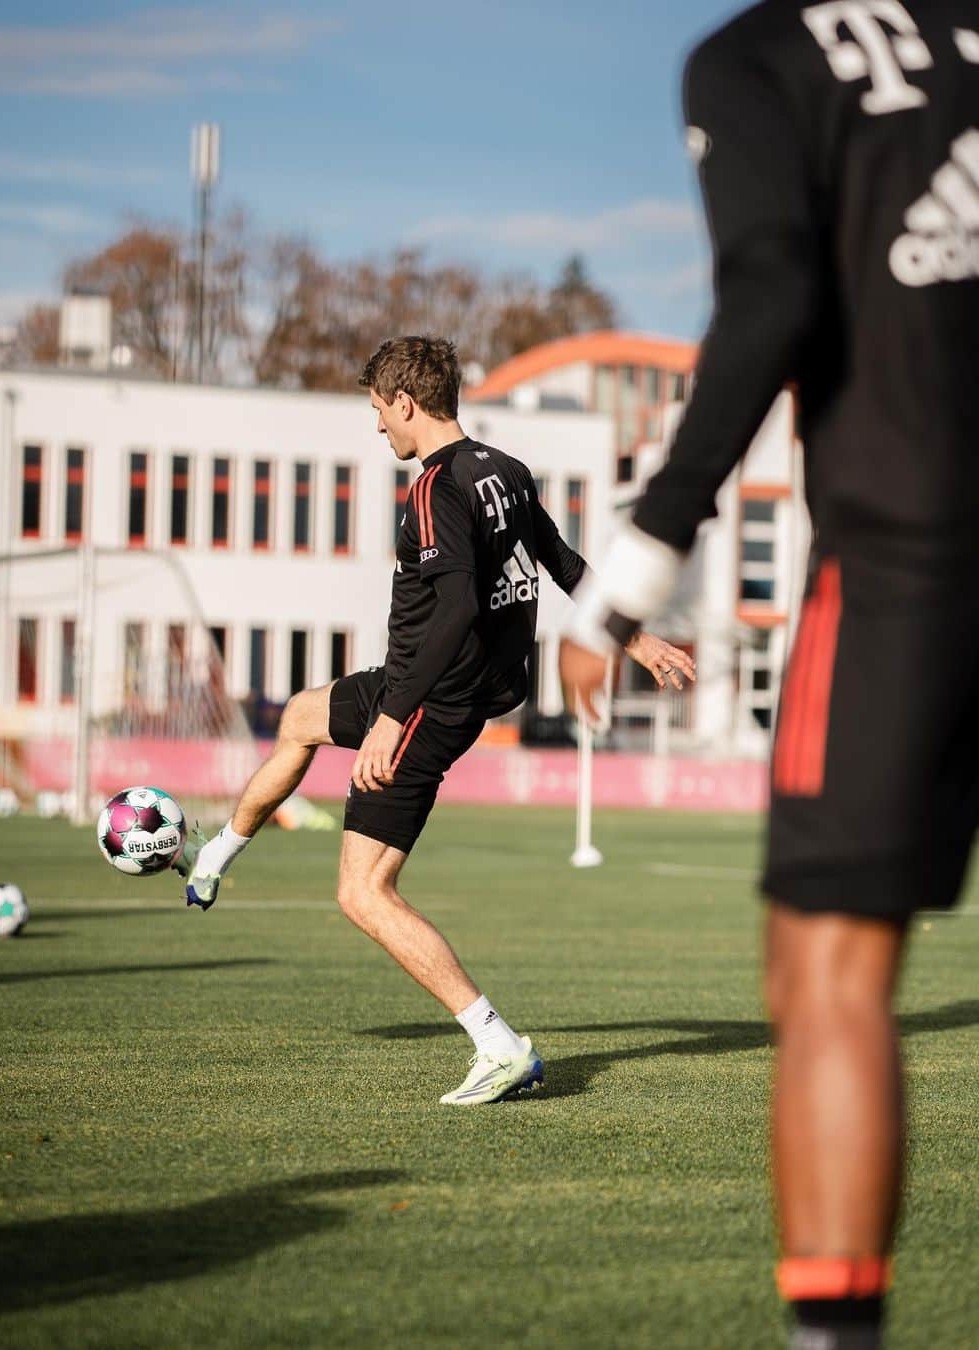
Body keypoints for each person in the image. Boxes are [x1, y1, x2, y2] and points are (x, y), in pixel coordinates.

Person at [562, 3, 978, 1345]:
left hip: (916, 544)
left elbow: (774, 295)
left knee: (828, 973)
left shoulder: (757, 57)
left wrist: (640, 561)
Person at [179, 334, 694, 1106]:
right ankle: (217, 852)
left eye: (379, 410)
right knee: (299, 718)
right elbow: (561, 561)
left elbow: (454, 606)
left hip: (430, 699)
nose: (377, 426)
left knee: (364, 892)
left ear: (406, 403)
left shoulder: (434, 489)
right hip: (439, 685)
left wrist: (392, 718)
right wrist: (638, 635)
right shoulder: (506, 472)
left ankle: (498, 1044)